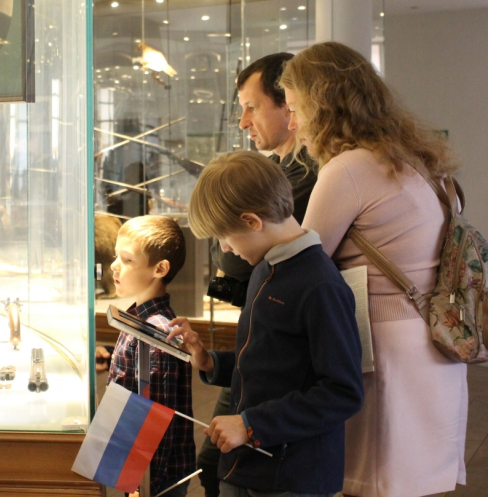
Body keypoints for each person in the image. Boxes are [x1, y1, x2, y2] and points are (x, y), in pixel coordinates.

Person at [280, 41, 468, 497]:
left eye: (296, 109)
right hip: (438, 338)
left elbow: (302, 262)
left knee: (377, 480)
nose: (292, 123)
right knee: (416, 478)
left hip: (384, 349)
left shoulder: (348, 169)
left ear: (323, 105)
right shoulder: (419, 160)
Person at [169, 151, 364, 497]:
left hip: (292, 476)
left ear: (251, 221)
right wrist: (210, 362)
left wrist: (250, 424)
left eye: (224, 237)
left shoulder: (320, 286)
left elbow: (342, 392)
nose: (226, 249)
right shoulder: (264, 268)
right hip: (247, 465)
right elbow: (269, 360)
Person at [199, 52, 317, 497]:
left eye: (252, 106)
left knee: (221, 464)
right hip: (262, 350)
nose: (244, 121)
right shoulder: (280, 170)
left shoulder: (306, 174)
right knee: (216, 463)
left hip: (283, 411)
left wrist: (252, 425)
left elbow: (230, 263)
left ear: (289, 105)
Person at [106, 215, 195, 497]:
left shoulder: (156, 335)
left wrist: (143, 485)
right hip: (141, 473)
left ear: (160, 268)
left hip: (155, 480)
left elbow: (157, 420)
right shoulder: (137, 319)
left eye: (127, 259)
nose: (114, 266)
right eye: (116, 256)